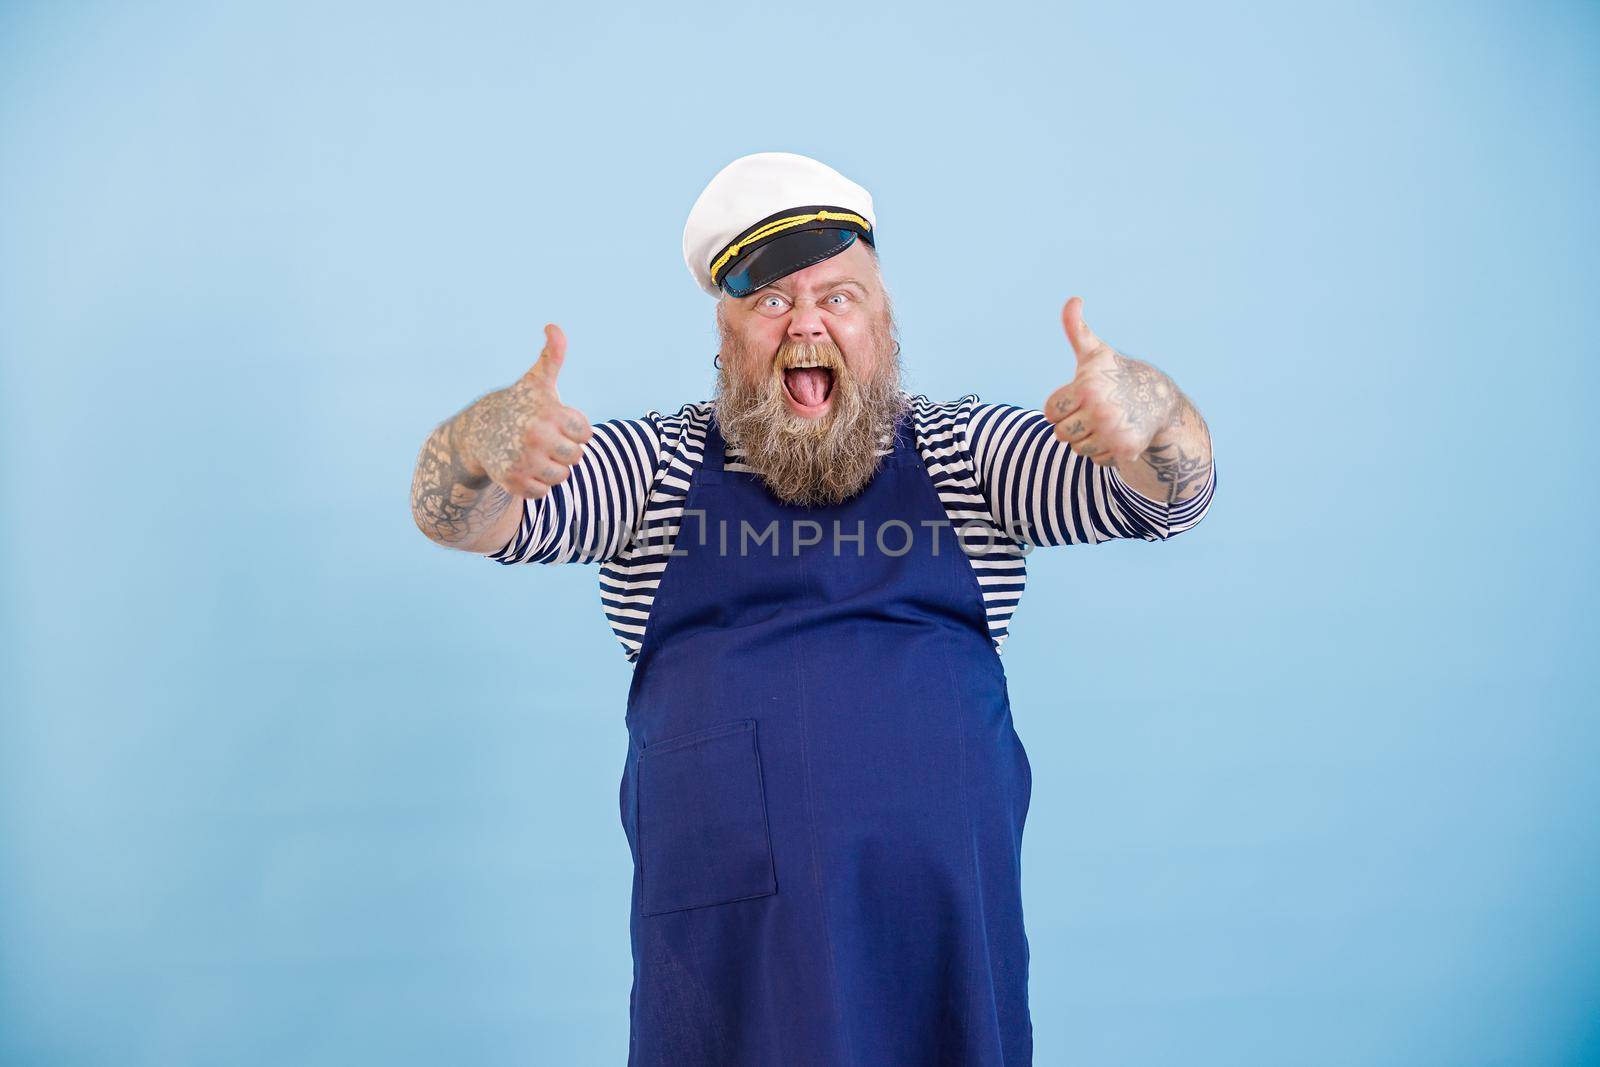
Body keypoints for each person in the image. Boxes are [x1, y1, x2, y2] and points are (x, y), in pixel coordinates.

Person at [410, 151, 1216, 1066]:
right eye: (770, 302)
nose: (806, 323)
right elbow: (468, 521)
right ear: (726, 339)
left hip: (940, 952)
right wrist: (477, 447)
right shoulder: (654, 471)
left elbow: (1167, 498)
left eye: (838, 297)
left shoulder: (967, 457)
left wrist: (1149, 415)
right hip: (731, 972)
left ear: (884, 324)